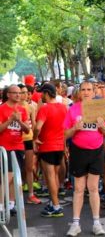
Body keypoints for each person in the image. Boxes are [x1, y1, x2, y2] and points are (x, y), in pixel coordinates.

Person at [64, 81, 105, 236]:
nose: (85, 92)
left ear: (94, 91)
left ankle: (96, 223)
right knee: (78, 188)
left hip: (96, 151)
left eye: (89, 89)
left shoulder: (101, 108)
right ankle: (76, 223)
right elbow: (65, 134)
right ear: (79, 92)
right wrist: (74, 128)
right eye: (83, 89)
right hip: (78, 151)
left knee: (93, 188)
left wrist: (102, 126)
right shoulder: (73, 109)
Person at [33, 83, 68, 217]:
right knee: (54, 176)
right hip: (59, 146)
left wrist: (35, 138)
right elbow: (65, 128)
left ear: (47, 93)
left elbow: (37, 127)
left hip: (47, 146)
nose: (41, 95)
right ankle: (54, 203)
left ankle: (56, 206)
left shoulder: (45, 109)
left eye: (42, 93)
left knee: (50, 177)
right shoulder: (63, 108)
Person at [0, 85, 30, 215]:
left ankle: (11, 204)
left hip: (18, 147)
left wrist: (19, 121)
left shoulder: (22, 110)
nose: (18, 95)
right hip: (5, 147)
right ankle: (1, 206)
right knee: (7, 177)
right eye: (15, 93)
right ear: (8, 94)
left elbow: (27, 130)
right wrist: (10, 120)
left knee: (15, 176)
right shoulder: (2, 109)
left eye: (20, 93)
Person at [19, 84, 41, 205]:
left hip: (28, 138)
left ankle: (31, 194)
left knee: (29, 167)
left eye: (26, 92)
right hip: (15, 141)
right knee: (17, 168)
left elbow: (33, 123)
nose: (24, 95)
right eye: (21, 92)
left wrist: (35, 140)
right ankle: (16, 194)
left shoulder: (31, 107)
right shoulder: (11, 107)